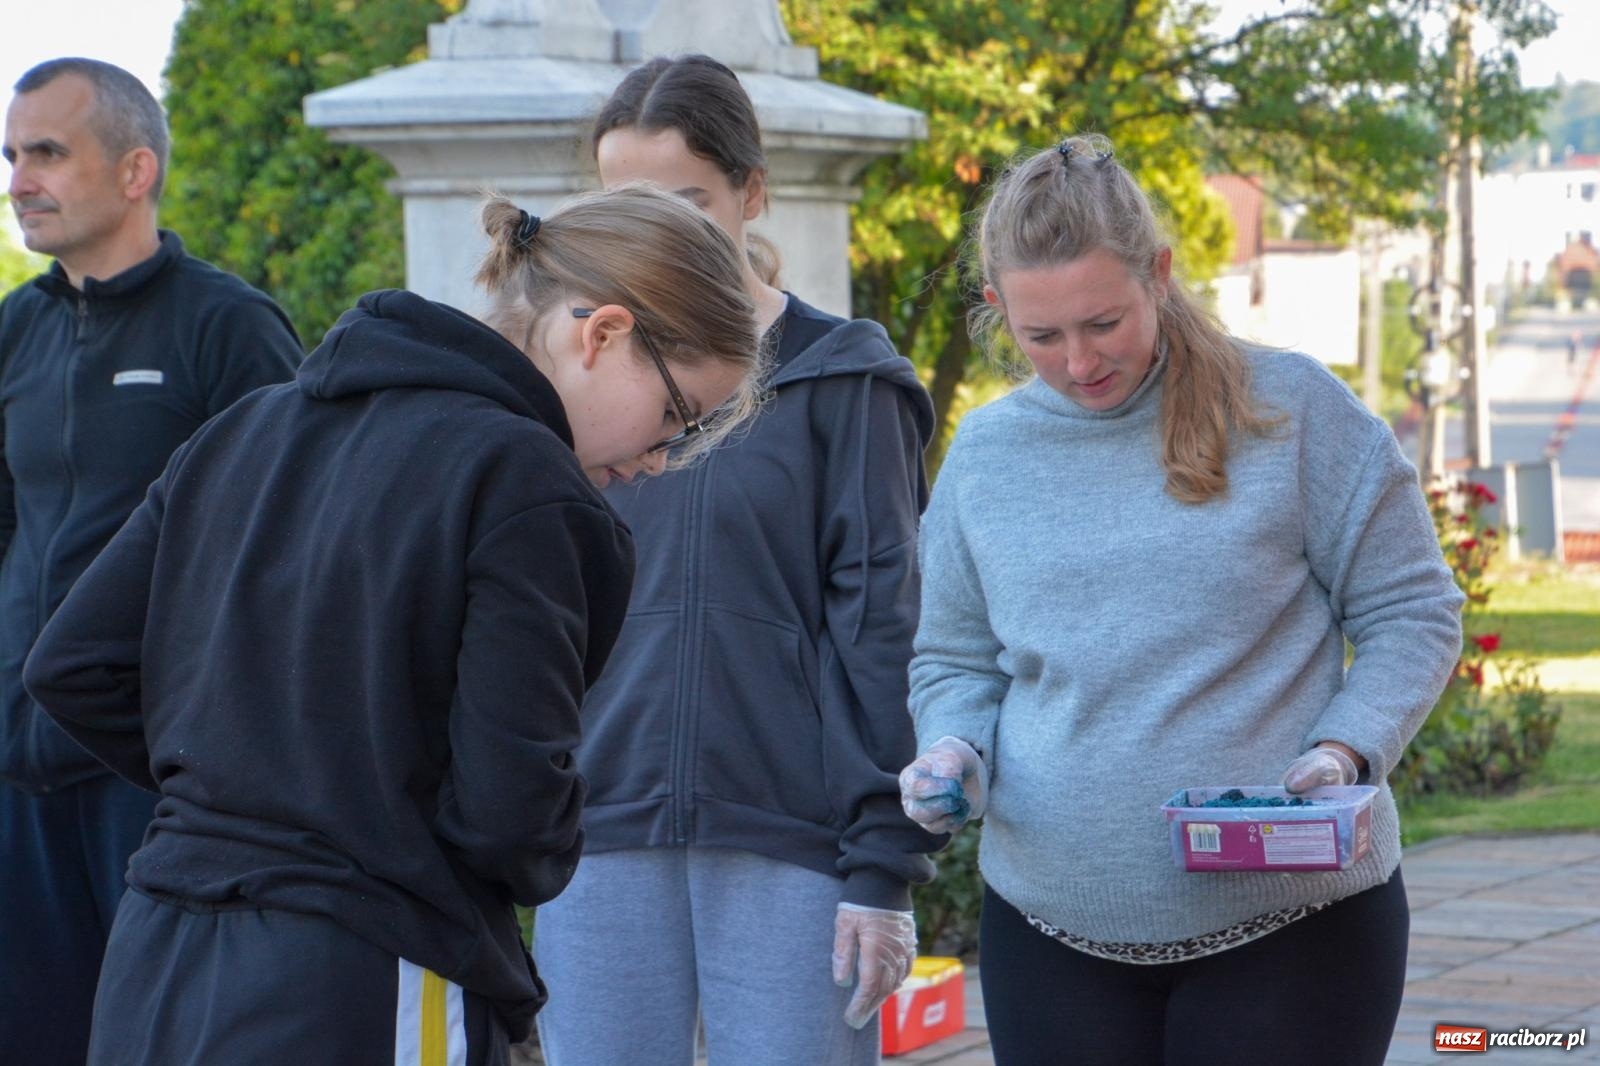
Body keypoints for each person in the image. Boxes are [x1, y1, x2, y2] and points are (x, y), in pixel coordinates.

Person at [22, 186, 763, 1066]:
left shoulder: (248, 426)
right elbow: (509, 813)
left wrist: (243, 786)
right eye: (677, 416)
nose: (657, 459)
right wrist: (356, 819)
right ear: (600, 333)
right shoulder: (523, 479)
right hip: (361, 964)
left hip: (157, 948)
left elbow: (72, 665)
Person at [897, 135, 1464, 1066]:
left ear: (1157, 274)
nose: (1079, 362)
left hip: (1295, 934)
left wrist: (1345, 746)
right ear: (998, 309)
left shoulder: (1290, 409)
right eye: (1042, 336)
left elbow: (1415, 611)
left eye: (1103, 322)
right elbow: (955, 660)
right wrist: (952, 746)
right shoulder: (985, 456)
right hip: (1046, 935)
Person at [530, 54, 938, 1066]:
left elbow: (884, 630)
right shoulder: (562, 386)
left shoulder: (849, 384)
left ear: (752, 194)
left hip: (792, 842)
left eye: (687, 200)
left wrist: (882, 864)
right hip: (599, 832)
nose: (656, 232)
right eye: (624, 202)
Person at [0, 57, 302, 1065]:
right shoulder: (15, 332)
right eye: (11, 154)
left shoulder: (230, 328)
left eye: (47, 152)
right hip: (19, 776)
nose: (18, 180)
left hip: (158, 780)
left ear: (135, 172)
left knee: (163, 1041)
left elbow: (282, 547)